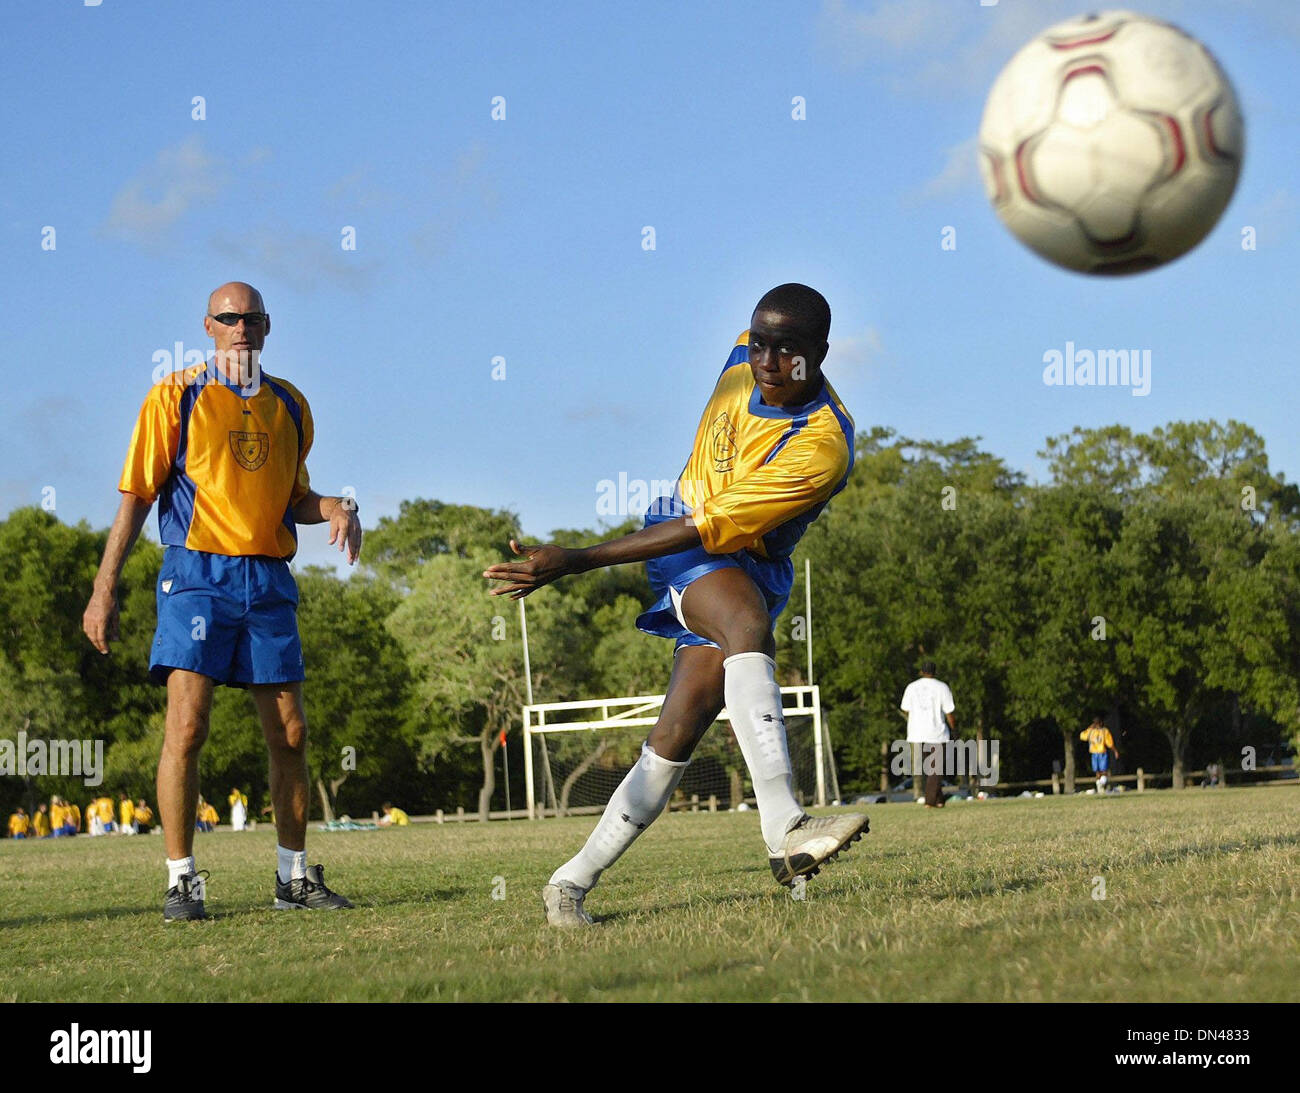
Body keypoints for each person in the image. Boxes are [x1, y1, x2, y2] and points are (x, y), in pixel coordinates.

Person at [484, 284, 869, 927]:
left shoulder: (822, 446)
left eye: (787, 349)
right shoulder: (740, 356)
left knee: (673, 738)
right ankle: (786, 829)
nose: (766, 359)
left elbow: (715, 528)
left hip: (739, 557)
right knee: (744, 624)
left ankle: (568, 884)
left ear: (821, 354)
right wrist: (578, 559)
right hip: (684, 541)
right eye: (759, 341)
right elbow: (693, 528)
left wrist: (579, 557)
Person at [82, 281, 362, 921]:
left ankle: (292, 880)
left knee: (291, 733)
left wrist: (340, 507)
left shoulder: (291, 404)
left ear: (268, 327)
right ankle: (183, 881)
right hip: (197, 574)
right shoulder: (173, 396)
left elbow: (296, 498)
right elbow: (136, 499)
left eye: (252, 319)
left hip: (267, 578)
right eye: (229, 319)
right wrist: (104, 591)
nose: (241, 328)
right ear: (208, 326)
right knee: (188, 726)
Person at [900, 661, 956, 808]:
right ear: (935, 671)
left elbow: (905, 709)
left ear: (921, 671)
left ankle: (939, 800)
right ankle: (930, 801)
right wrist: (954, 728)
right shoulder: (942, 687)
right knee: (936, 769)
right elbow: (949, 711)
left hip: (917, 732)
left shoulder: (911, 687)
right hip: (937, 732)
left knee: (930, 768)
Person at [1081, 715, 1118, 793]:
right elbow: (1082, 736)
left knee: (1101, 771)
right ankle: (1100, 787)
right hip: (1097, 753)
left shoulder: (1100, 731)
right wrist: (1115, 751)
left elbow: (1109, 743)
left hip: (1099, 753)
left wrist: (1114, 750)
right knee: (1100, 772)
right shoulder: (1096, 731)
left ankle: (1101, 786)